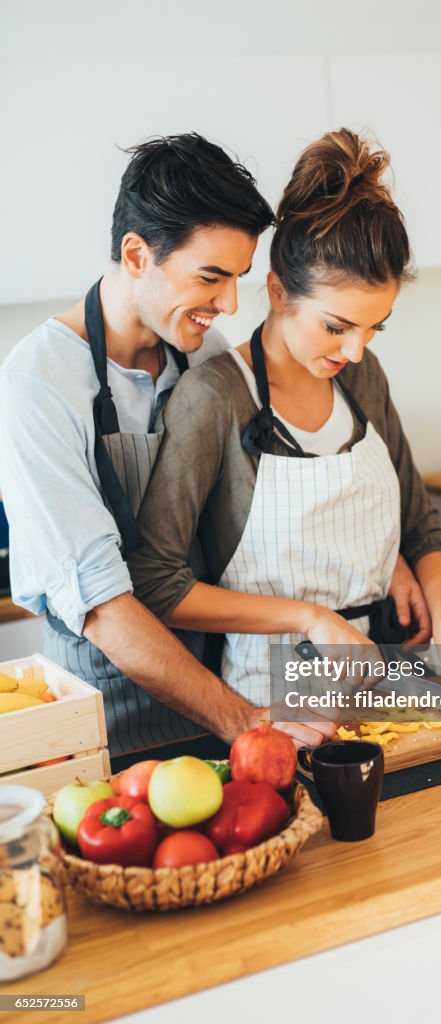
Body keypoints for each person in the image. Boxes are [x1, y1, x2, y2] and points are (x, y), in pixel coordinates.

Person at [0, 132, 346, 755]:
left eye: (238, 278)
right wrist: (249, 726)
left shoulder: (200, 354)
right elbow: (102, 605)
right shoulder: (39, 383)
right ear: (137, 254)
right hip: (109, 722)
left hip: (225, 684)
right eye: (211, 277)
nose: (228, 303)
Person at [129, 129, 441, 708]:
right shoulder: (216, 396)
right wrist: (308, 619)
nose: (354, 350)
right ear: (277, 292)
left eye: (374, 327)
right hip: (270, 701)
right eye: (336, 326)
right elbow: (155, 581)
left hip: (387, 672)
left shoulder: (361, 376)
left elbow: (422, 526)